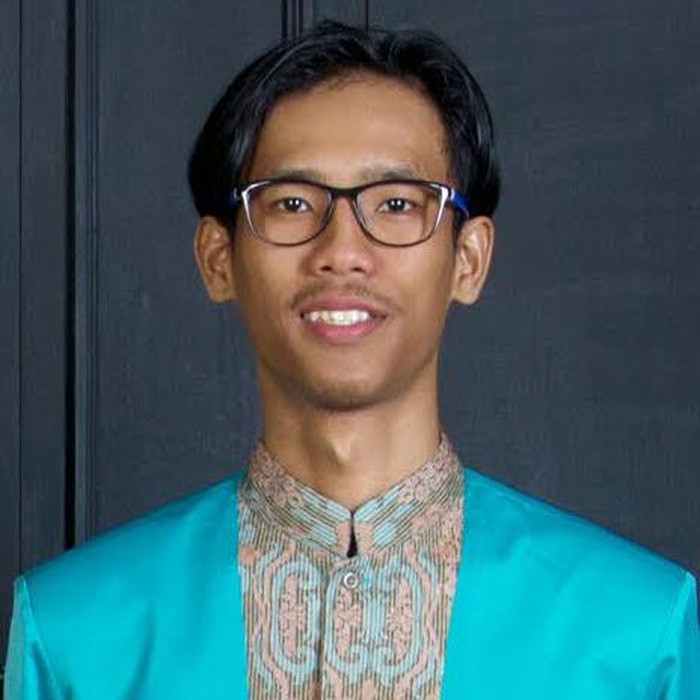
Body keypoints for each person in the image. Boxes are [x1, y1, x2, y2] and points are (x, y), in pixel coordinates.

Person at [4, 20, 699, 699]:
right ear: (219, 260)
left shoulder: (635, 637)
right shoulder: (72, 636)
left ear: (468, 259)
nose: (341, 251)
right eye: (292, 203)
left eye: (395, 204)